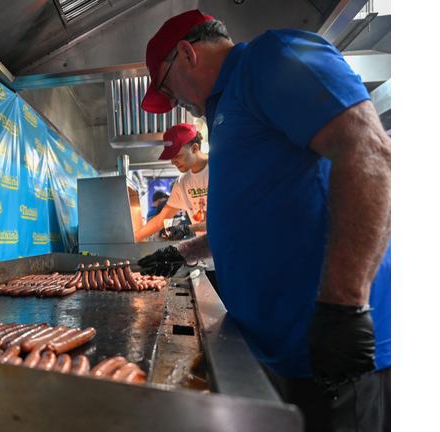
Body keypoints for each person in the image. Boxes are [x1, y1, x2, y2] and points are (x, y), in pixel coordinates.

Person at [136, 10, 391, 432]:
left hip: (330, 342)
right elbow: (252, 213)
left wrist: (344, 306)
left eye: (167, 86)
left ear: (186, 53)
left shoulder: (271, 59)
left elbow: (370, 156)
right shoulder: (224, 111)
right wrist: (184, 251)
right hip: (283, 347)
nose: (174, 101)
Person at [134, 123, 208, 243]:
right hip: (206, 246)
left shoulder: (219, 170)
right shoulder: (182, 182)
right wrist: (133, 238)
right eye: (171, 157)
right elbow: (161, 219)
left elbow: (226, 217)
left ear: (195, 148)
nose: (173, 162)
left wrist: (187, 229)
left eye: (177, 156)